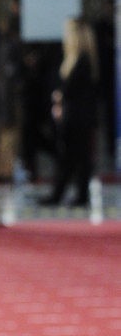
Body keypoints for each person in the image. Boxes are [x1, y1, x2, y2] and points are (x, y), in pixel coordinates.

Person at [41, 17, 99, 207]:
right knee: (75, 158)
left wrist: (59, 98)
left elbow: (70, 89)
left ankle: (67, 195)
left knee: (75, 157)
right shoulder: (77, 59)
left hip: (78, 117)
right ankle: (70, 194)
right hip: (75, 116)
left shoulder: (81, 61)